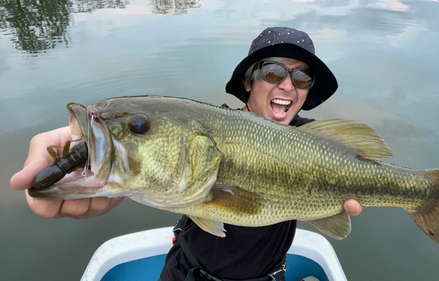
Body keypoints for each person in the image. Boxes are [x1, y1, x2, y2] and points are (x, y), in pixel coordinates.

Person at [10, 27, 362, 280]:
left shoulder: (317, 143)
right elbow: (165, 158)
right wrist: (82, 158)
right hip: (186, 272)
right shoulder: (207, 127)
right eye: (273, 71)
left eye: (302, 78)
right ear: (247, 81)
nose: (287, 84)